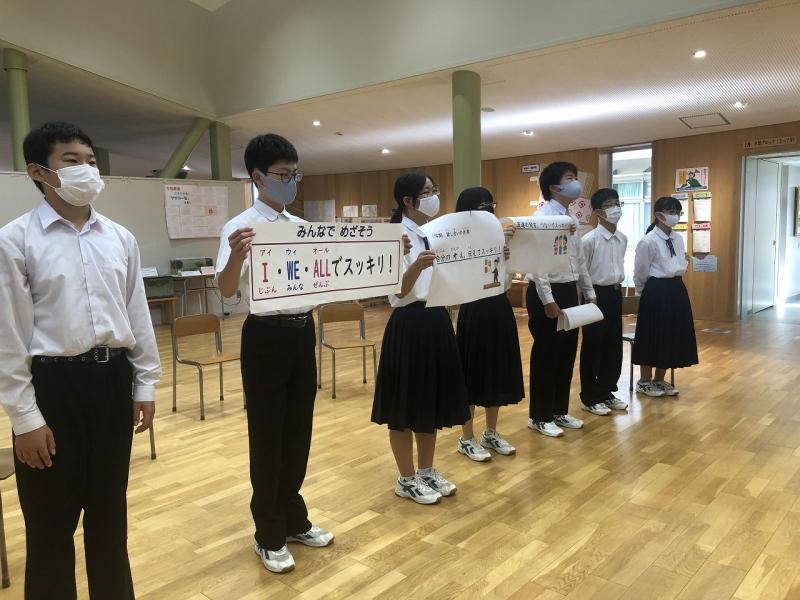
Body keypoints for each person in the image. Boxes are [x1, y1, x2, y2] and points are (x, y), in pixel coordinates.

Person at [0, 121, 161, 599]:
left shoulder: (119, 238)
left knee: (110, 516)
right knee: (50, 524)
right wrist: (24, 419)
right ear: (38, 172)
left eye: (91, 161)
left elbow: (136, 314)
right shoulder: (15, 241)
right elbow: (8, 336)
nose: (86, 170)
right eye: (71, 161)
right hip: (52, 388)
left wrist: (145, 383)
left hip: (112, 381)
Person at [215, 133, 333, 574]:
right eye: (283, 175)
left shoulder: (301, 227)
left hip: (303, 333)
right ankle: (267, 532)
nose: (291, 182)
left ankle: (293, 517)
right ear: (258, 177)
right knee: (267, 435)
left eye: (295, 174)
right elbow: (226, 291)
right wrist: (235, 257)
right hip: (264, 337)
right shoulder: (240, 227)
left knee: (299, 431)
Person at [372, 172, 470, 502]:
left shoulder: (432, 231)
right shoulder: (394, 235)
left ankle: (426, 470)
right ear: (407, 200)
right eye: (426, 192)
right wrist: (417, 266)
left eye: (434, 190)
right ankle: (406, 478)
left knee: (430, 402)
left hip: (436, 319)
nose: (433, 196)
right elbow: (397, 292)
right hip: (409, 323)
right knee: (403, 408)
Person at [453, 187, 523, 462]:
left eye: (490, 203)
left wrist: (506, 253)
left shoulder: (501, 235)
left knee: (497, 370)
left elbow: (507, 279)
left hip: (499, 306)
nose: (488, 208)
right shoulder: (460, 241)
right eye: (481, 204)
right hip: (474, 307)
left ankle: (491, 432)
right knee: (471, 373)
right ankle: (466, 437)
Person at [526, 162, 596, 437]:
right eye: (570, 178)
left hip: (569, 290)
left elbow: (578, 260)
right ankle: (539, 416)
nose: (576, 182)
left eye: (576, 177)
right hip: (546, 292)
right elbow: (537, 263)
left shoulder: (571, 219)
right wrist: (547, 299)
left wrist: (589, 292)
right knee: (546, 354)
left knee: (566, 353)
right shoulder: (542, 217)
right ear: (554, 186)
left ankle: (558, 410)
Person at [633, 196, 698, 397]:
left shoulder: (678, 238)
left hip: (676, 288)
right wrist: (644, 293)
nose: (675, 216)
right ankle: (644, 381)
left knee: (671, 333)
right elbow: (640, 271)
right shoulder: (648, 240)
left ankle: (659, 379)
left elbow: (679, 263)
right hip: (655, 289)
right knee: (652, 334)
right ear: (659, 215)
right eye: (671, 212)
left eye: (678, 212)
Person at [579, 188, 629, 415]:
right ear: (598, 212)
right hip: (594, 295)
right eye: (609, 205)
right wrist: (590, 297)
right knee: (593, 345)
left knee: (613, 344)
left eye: (617, 203)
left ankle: (607, 391)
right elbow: (582, 273)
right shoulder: (589, 240)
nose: (615, 208)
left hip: (615, 293)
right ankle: (590, 396)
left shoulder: (622, 238)